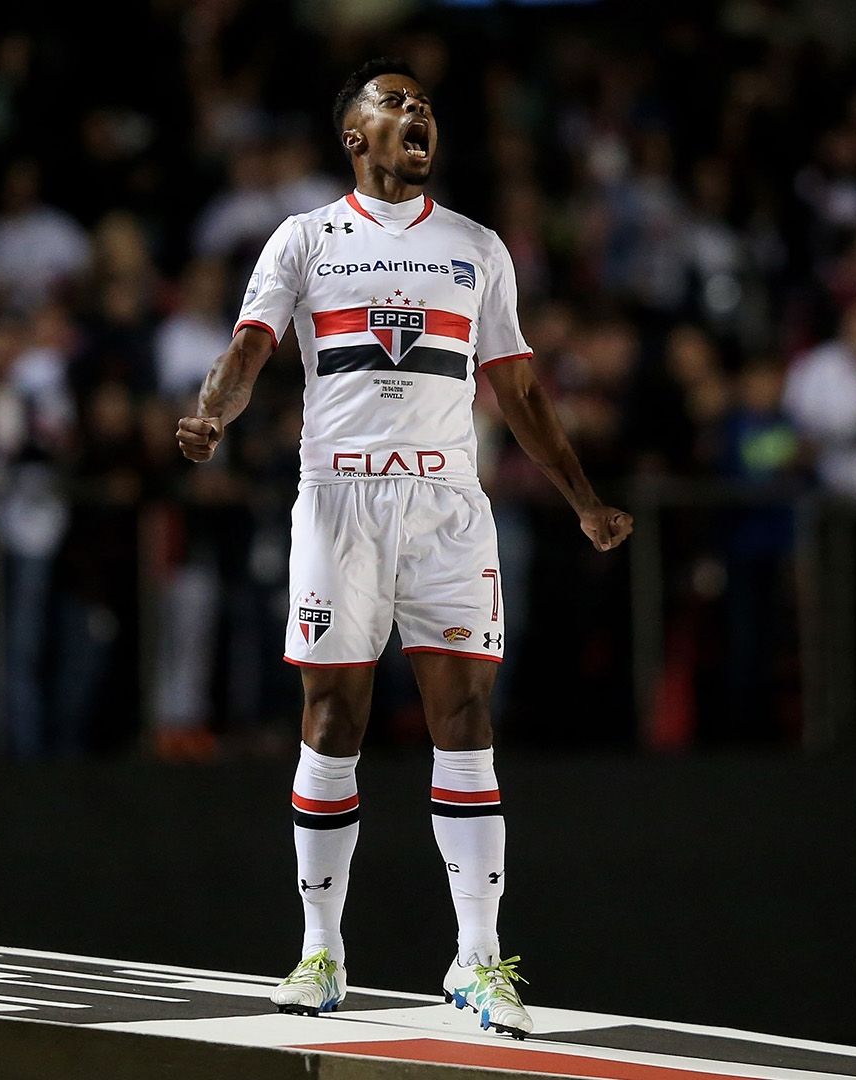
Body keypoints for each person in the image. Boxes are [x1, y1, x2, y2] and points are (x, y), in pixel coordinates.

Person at [175, 58, 632, 1039]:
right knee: (332, 718)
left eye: (423, 104)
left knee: (465, 715)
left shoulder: (476, 248)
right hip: (341, 500)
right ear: (355, 136)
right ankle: (321, 951)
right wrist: (213, 413)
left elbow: (518, 388)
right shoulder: (305, 238)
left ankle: (475, 962)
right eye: (394, 103)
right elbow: (252, 346)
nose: (417, 112)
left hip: (448, 504)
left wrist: (584, 499)